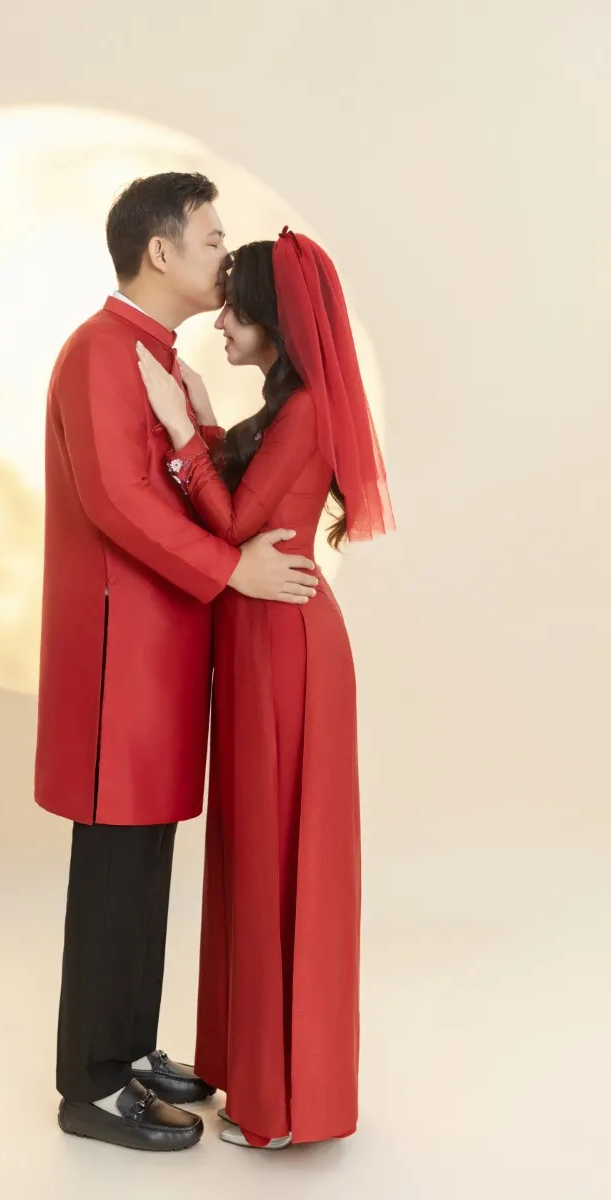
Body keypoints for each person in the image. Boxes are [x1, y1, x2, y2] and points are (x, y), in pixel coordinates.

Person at [35, 177, 321, 1153]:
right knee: (115, 862)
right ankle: (90, 1087)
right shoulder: (99, 351)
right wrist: (231, 569)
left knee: (145, 859)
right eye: (211, 238)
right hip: (121, 652)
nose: (224, 256)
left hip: (162, 643)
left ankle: (125, 1048)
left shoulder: (153, 357)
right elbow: (117, 499)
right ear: (159, 252)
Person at [136, 228, 395, 1149]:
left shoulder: (308, 411)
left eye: (237, 313)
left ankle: (286, 1102)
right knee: (251, 848)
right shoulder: (286, 411)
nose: (222, 324)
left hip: (286, 649)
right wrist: (206, 422)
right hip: (259, 641)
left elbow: (238, 524)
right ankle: (250, 1066)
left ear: (274, 323)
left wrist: (180, 431)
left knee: (280, 852)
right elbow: (248, 511)